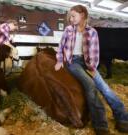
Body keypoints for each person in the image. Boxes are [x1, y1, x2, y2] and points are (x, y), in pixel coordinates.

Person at [54, 5, 128, 135]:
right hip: (73, 62)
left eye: (73, 16)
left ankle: (122, 118)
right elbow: (61, 47)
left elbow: (95, 52)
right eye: (69, 16)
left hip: (88, 62)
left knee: (105, 88)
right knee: (90, 85)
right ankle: (100, 124)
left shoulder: (92, 32)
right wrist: (60, 60)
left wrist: (93, 67)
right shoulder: (68, 30)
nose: (70, 19)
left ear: (82, 15)